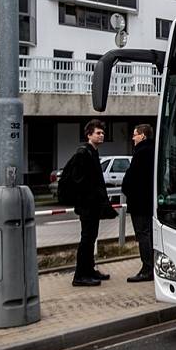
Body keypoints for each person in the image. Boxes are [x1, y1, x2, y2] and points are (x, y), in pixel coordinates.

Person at [69, 119, 118, 287]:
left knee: (91, 238)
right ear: (89, 135)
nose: (102, 135)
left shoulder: (93, 151)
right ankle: (80, 275)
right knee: (87, 239)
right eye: (98, 133)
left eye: (103, 133)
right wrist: (90, 198)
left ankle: (89, 270)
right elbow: (79, 181)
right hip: (87, 205)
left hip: (92, 205)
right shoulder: (83, 153)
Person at [121, 124, 155, 282]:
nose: (133, 138)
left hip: (140, 202)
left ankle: (147, 269)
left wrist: (126, 189)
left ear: (143, 136)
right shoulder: (154, 150)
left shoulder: (141, 152)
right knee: (150, 234)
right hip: (150, 201)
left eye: (135, 135)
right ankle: (153, 267)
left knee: (143, 235)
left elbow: (131, 178)